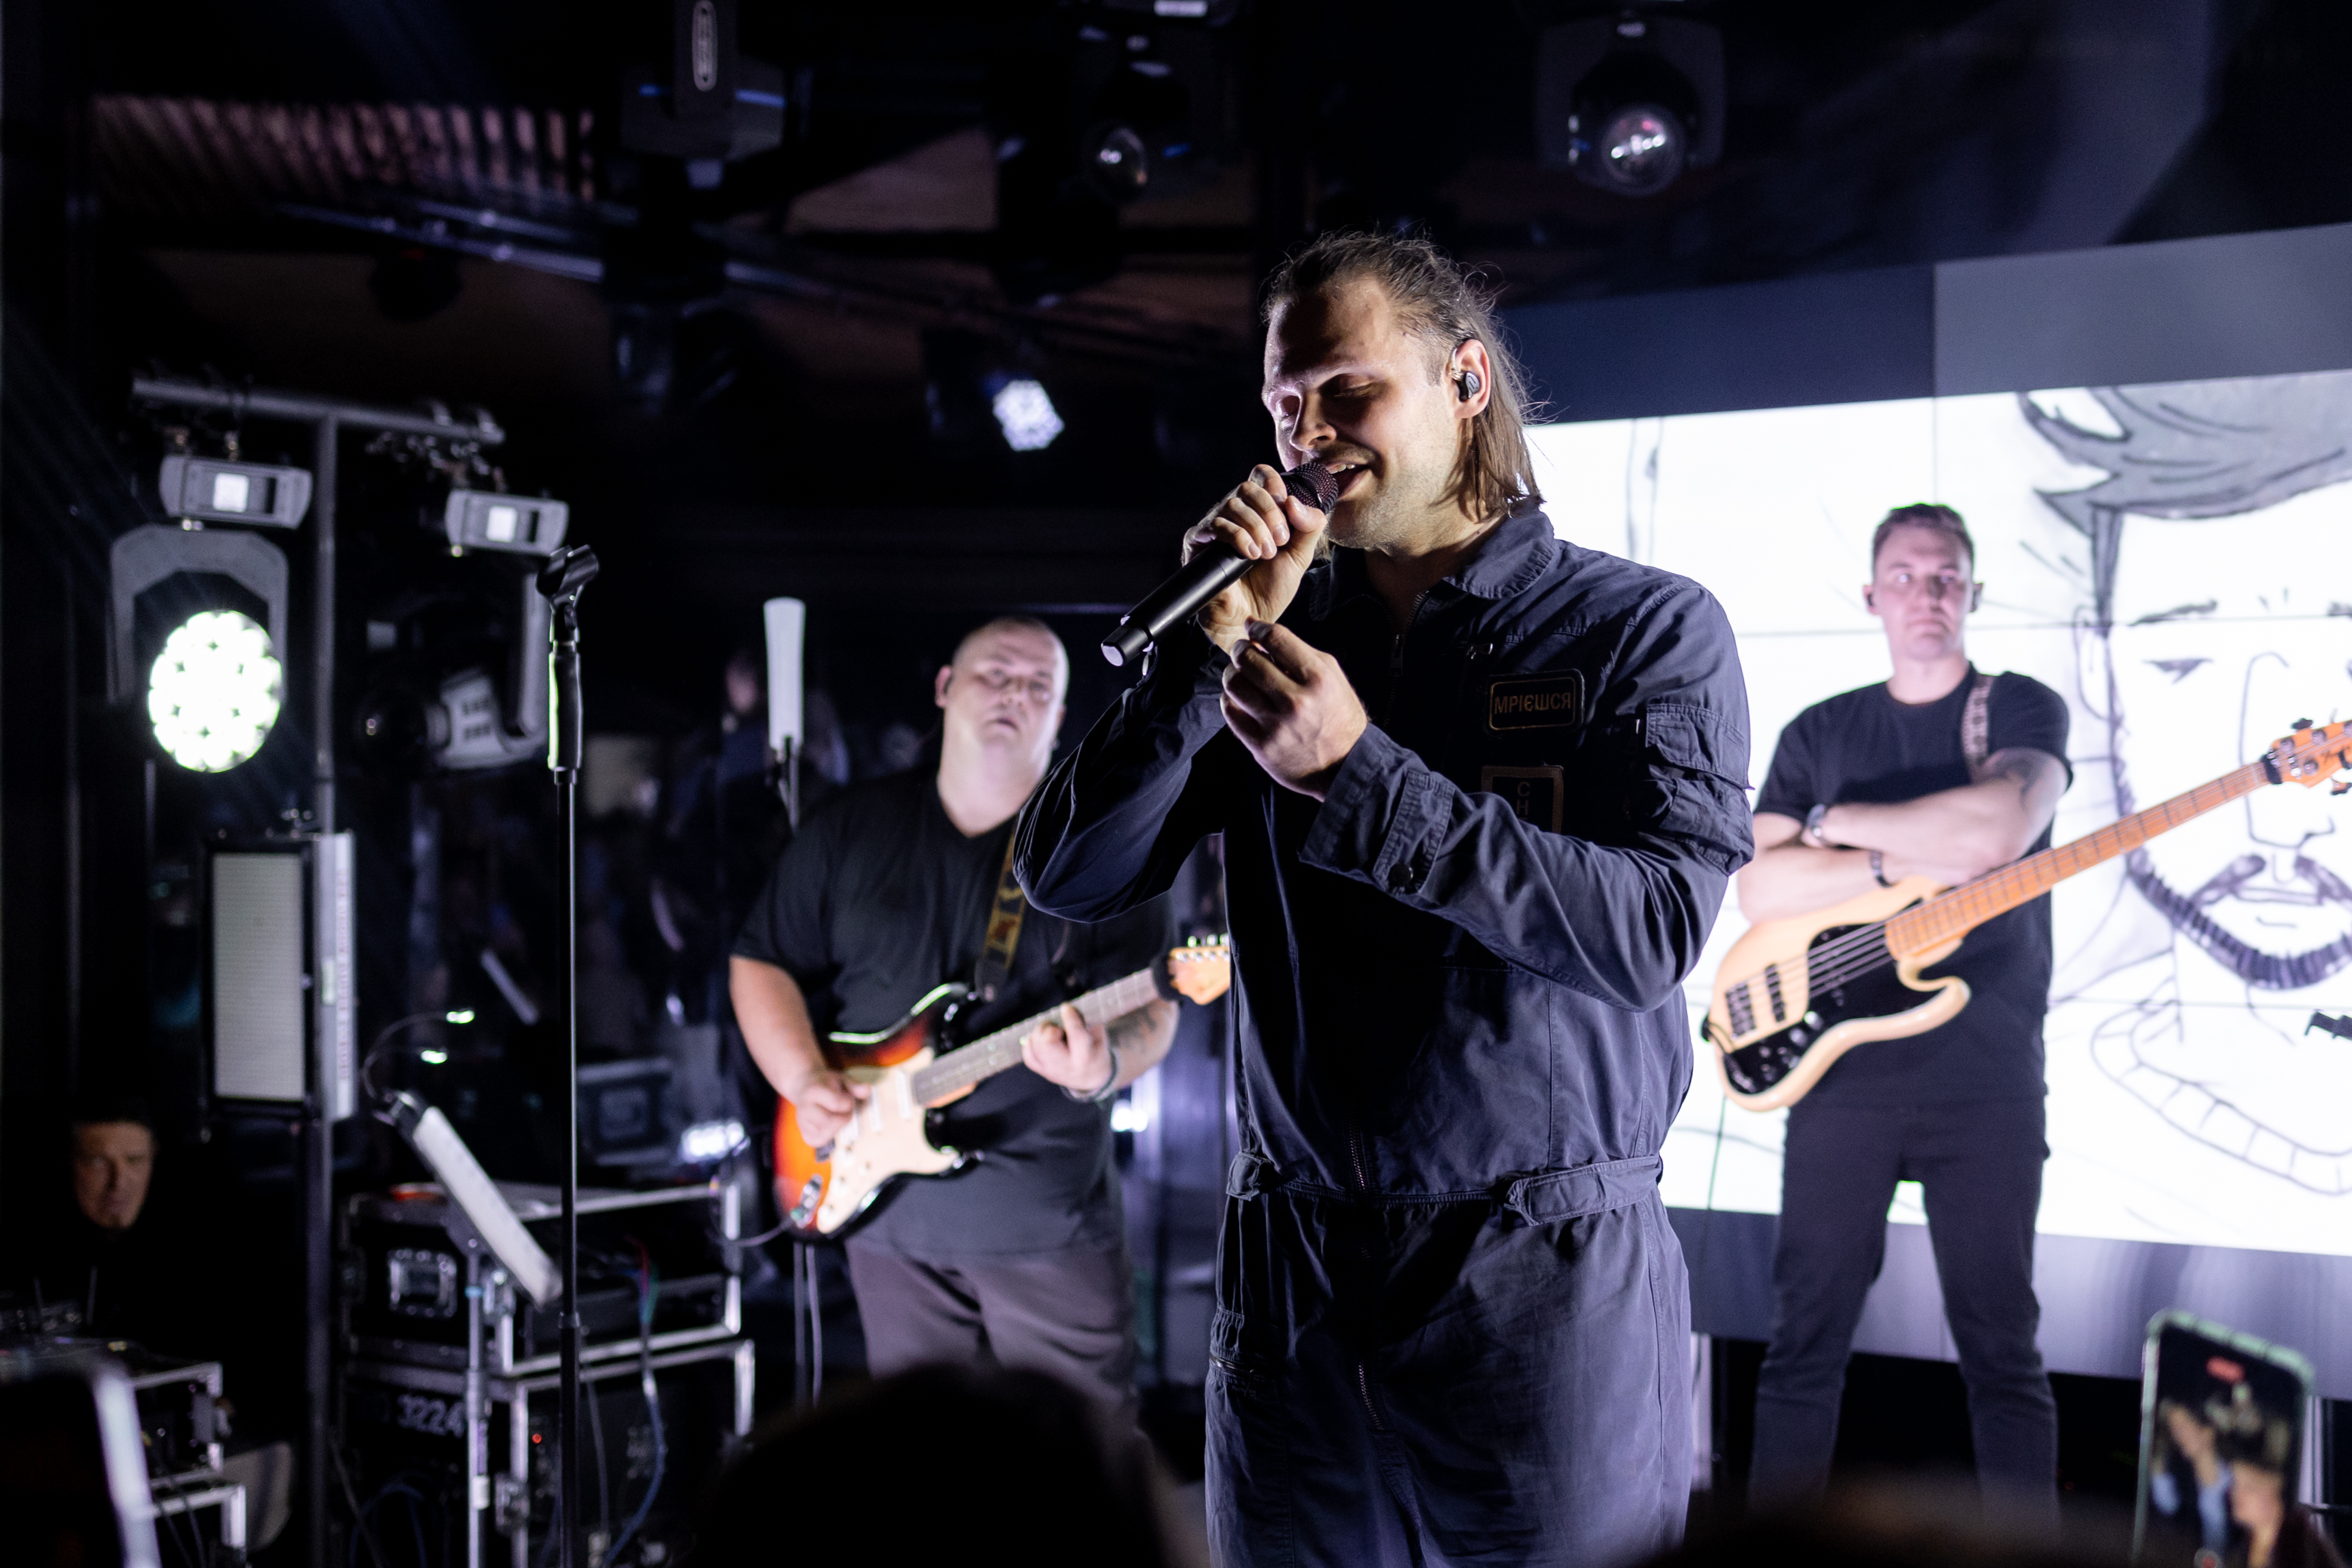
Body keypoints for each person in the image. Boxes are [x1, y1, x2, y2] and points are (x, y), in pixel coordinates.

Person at [1014, 230, 1754, 1566]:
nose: (1307, 435)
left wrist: (1358, 775)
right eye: (1284, 404)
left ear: (1464, 381)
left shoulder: (1643, 630)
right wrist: (1199, 658)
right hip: (1292, 1287)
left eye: (1346, 392)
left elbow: (1651, 932)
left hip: (1537, 1285)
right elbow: (1068, 873)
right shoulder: (1271, 634)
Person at [729, 616, 1178, 1412]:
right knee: (922, 1460)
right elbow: (761, 959)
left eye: (1037, 685)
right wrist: (802, 1078)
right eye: (994, 674)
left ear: (1059, 714)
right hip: (886, 1217)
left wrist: (1102, 1064)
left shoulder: (1105, 842)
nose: (1014, 694)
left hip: (1045, 1222)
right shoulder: (851, 827)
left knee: (1078, 1459)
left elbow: (1156, 1002)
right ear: (944, 689)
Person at [1736, 503, 2071, 1508]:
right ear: (1871, 595)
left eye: (1947, 577)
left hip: (1987, 1079)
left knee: (2004, 1355)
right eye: (1906, 577)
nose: (1928, 594)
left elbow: (1999, 833)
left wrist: (1836, 829)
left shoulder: (2020, 710)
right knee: (1802, 1352)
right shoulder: (1821, 730)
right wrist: (1900, 859)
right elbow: (1761, 889)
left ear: (1973, 592)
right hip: (1837, 1076)